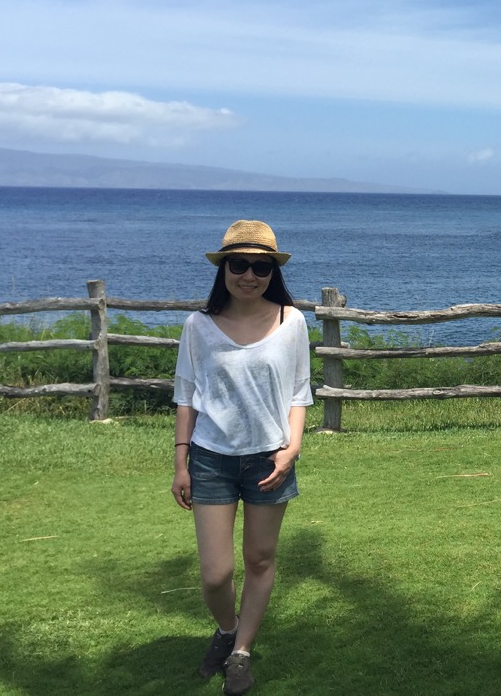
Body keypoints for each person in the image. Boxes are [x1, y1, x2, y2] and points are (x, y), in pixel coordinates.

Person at [171, 220, 312, 695]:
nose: (249, 275)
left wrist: (292, 447)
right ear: (223, 268)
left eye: (261, 266)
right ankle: (227, 628)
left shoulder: (291, 321)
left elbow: (299, 390)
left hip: (270, 459)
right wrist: (180, 461)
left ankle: (242, 651)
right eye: (239, 264)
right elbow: (186, 395)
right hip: (211, 458)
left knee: (260, 557)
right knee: (216, 573)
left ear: (272, 271)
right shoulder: (198, 326)